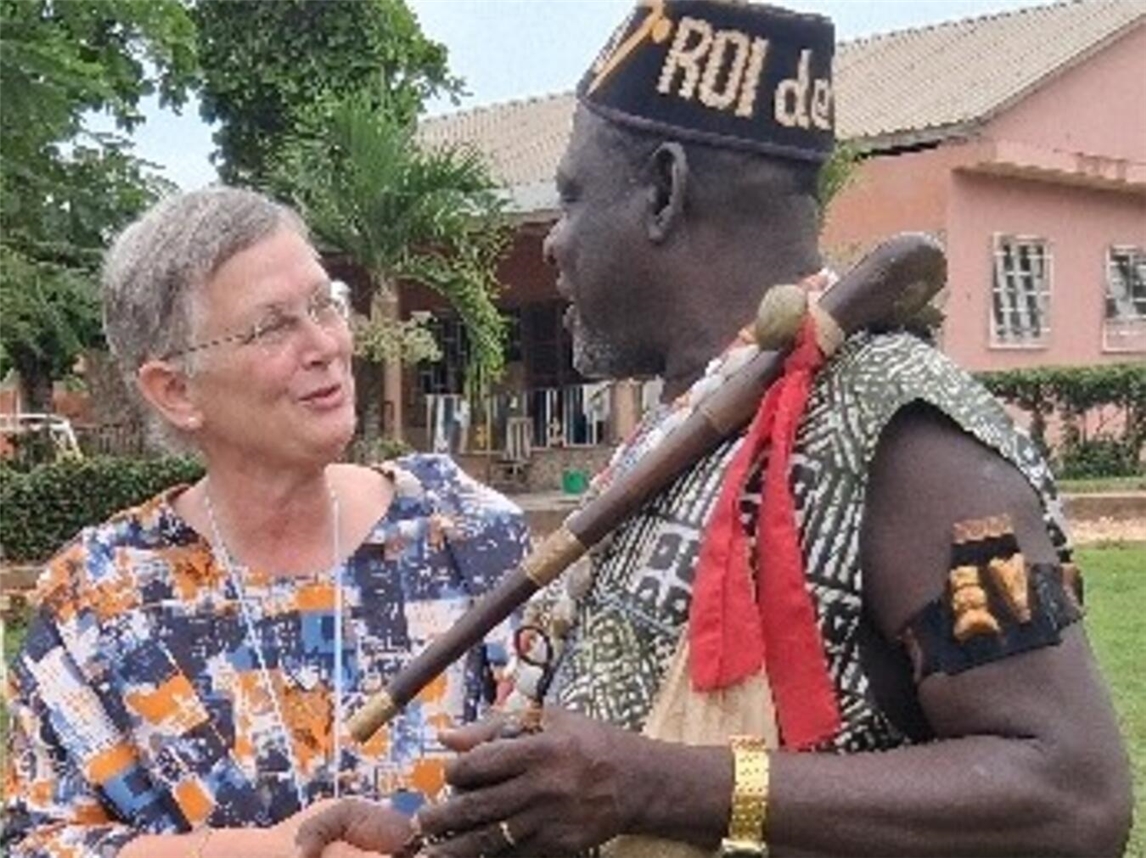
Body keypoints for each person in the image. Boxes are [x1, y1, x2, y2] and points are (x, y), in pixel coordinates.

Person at [361, 2, 1130, 857]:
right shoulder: (682, 425)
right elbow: (600, 785)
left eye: (572, 198)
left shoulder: (898, 425)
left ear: (662, 190)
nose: (553, 242)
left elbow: (1070, 794)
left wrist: (653, 783)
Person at [3, 187, 531, 858]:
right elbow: (39, 842)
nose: (325, 346)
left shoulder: (465, 536)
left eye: (324, 305)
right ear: (176, 390)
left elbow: (563, 784)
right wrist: (263, 852)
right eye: (273, 327)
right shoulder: (98, 602)